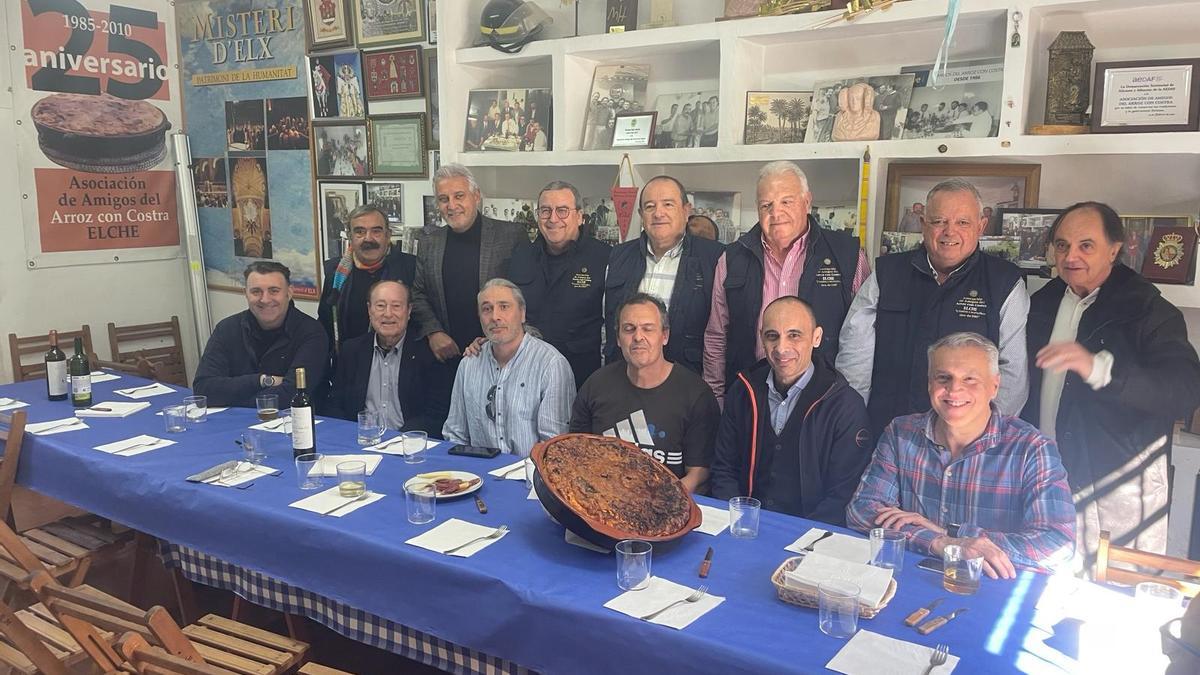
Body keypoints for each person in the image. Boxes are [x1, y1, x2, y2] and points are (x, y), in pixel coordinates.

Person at [1021, 202, 1200, 569]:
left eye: (1086, 245)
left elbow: (1183, 391)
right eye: (1062, 245)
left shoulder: (1148, 309)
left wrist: (1099, 369)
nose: (1071, 256)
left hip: (1116, 489)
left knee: (1106, 603)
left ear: (1115, 249)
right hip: (1042, 476)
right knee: (1035, 585)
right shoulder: (1042, 301)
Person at [847, 332, 1076, 577]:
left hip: (990, 591)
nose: (954, 390)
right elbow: (862, 511)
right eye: (943, 377)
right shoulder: (900, 433)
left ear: (994, 386)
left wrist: (954, 535)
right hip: (908, 581)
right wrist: (940, 542)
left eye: (970, 379)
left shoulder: (1032, 449)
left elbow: (1058, 546)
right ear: (929, 384)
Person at [837, 178, 1029, 438]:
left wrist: (983, 437)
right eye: (939, 221)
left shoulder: (1004, 283)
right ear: (923, 224)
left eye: (963, 222)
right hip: (887, 430)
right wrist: (853, 418)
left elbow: (1013, 374)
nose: (950, 232)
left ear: (981, 226)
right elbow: (854, 354)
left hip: (967, 441)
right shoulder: (887, 274)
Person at [703, 161, 870, 403]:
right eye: (766, 205)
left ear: (806, 201)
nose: (776, 213)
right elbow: (717, 335)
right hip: (750, 397)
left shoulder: (847, 255)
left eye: (786, 202)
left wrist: (850, 403)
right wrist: (716, 397)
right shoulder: (731, 259)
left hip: (823, 400)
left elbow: (862, 341)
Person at [710, 297, 871, 522]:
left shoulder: (845, 406)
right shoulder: (742, 391)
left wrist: (805, 541)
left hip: (810, 537)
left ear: (816, 338)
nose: (781, 348)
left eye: (794, 335)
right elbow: (724, 469)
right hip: (743, 526)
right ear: (761, 339)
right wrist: (738, 520)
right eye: (772, 336)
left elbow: (843, 494)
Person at [571, 293, 718, 493]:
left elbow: (699, 474)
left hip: (669, 506)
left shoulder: (696, 395)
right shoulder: (596, 385)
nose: (638, 337)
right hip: (602, 502)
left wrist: (660, 503)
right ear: (618, 339)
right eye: (629, 329)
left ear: (664, 336)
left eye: (648, 329)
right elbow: (576, 453)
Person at [604, 176, 724, 375]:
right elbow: (607, 322)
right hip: (625, 379)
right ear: (641, 214)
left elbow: (720, 333)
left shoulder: (715, 258)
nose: (658, 213)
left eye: (668, 204)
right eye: (650, 207)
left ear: (686, 211)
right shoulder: (618, 256)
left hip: (687, 382)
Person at [442, 279, 575, 457]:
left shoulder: (550, 365)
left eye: (504, 307)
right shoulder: (469, 363)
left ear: (522, 314)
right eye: (487, 309)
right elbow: (455, 435)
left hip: (530, 477)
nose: (495, 316)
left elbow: (554, 448)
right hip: (477, 475)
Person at [507, 181, 611, 389]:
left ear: (580, 216)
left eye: (562, 211)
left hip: (582, 377)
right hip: (527, 375)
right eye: (545, 211)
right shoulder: (520, 256)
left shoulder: (605, 258)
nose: (553, 219)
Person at [193, 262, 328, 408]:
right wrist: (262, 380)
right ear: (245, 293)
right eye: (256, 291)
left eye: (274, 291)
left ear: (289, 293)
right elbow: (204, 390)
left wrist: (229, 397)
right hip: (234, 424)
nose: (265, 299)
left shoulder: (311, 333)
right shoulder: (226, 329)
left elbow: (291, 395)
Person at [326, 281, 447, 434]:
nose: (388, 314)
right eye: (380, 306)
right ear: (370, 310)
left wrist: (399, 439)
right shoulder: (352, 351)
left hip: (407, 443)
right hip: (360, 441)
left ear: (409, 311)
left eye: (396, 306)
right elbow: (335, 404)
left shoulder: (428, 354)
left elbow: (437, 414)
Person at [318, 205, 416, 352]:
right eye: (359, 232)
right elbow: (326, 322)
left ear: (388, 235)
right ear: (350, 236)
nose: (368, 238)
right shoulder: (336, 273)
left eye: (376, 231)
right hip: (349, 364)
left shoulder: (410, 269)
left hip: (402, 362)